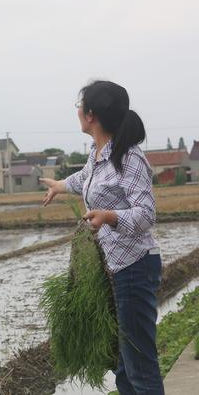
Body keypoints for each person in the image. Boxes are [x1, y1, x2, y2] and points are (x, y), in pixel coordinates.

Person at [40, 80, 163, 394]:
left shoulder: (129, 158)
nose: (78, 111)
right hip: (116, 269)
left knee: (140, 368)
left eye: (80, 106)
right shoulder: (99, 155)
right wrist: (59, 186)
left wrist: (110, 217)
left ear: (91, 114)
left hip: (134, 267)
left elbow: (146, 213)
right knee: (124, 370)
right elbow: (85, 180)